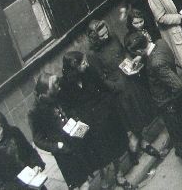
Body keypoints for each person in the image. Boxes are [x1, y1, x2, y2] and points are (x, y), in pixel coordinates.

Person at [125, 34, 182, 182]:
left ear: (139, 50)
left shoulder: (156, 64)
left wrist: (172, 105)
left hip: (170, 104)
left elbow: (178, 87)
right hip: (172, 103)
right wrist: (141, 58)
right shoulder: (160, 43)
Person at [59, 52, 137, 190]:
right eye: (83, 63)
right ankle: (104, 176)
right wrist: (77, 118)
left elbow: (103, 88)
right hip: (87, 123)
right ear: (74, 67)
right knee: (98, 153)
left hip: (104, 116)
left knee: (113, 148)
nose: (87, 64)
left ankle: (119, 175)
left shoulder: (90, 72)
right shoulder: (64, 85)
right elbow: (67, 107)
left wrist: (106, 106)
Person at [86, 20, 161, 163]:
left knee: (139, 110)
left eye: (106, 32)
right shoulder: (92, 54)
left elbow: (123, 52)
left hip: (129, 76)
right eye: (102, 36)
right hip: (117, 86)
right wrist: (115, 86)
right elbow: (100, 78)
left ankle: (136, 142)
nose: (106, 36)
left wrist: (130, 61)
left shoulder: (113, 37)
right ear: (94, 38)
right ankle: (138, 143)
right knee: (131, 116)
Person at [29, 74, 93, 190]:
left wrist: (76, 122)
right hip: (64, 152)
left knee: (85, 177)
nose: (59, 86)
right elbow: (38, 139)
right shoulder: (35, 112)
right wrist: (56, 146)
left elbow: (69, 110)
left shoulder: (57, 95)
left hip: (75, 140)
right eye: (55, 85)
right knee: (80, 183)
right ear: (46, 91)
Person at [0, 110, 46, 190]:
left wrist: (37, 165)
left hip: (33, 179)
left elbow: (30, 151)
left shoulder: (14, 133)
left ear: (3, 126)